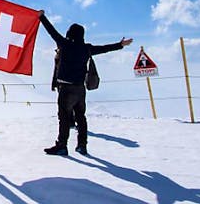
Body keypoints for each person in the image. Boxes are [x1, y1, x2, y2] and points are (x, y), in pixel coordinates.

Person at [38, 11, 132, 156]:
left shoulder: (64, 44)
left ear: (69, 33)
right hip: (80, 89)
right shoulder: (86, 48)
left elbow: (51, 31)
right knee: (81, 117)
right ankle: (82, 145)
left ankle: (62, 146)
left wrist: (41, 17)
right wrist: (120, 45)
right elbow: (104, 48)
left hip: (66, 88)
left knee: (64, 117)